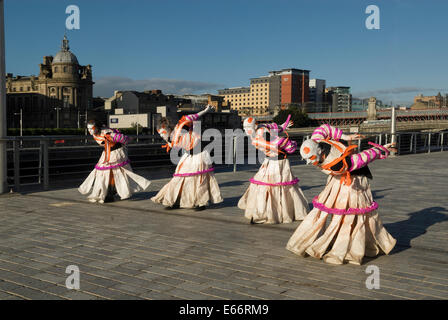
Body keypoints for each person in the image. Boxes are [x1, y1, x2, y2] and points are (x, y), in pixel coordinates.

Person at [286, 124, 397, 265]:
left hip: (344, 180)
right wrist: (380, 150)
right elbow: (361, 159)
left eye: (313, 158)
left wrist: (346, 137)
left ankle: (343, 239)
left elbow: (324, 128)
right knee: (349, 213)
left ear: (318, 148)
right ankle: (345, 244)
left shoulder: (317, 139)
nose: (312, 162)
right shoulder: (336, 165)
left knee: (344, 214)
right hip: (351, 183)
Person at [238, 115, 309, 224]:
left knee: (270, 186)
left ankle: (266, 213)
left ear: (255, 126)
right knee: (271, 186)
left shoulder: (262, 130)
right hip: (274, 162)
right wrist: (289, 143)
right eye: (245, 128)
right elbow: (279, 142)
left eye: (249, 127)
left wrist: (283, 126)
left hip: (277, 162)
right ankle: (265, 213)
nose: (247, 130)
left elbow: (274, 129)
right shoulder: (259, 134)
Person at [151, 105, 223, 210]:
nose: (162, 136)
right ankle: (175, 200)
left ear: (168, 130)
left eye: (163, 133)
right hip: (189, 156)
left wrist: (205, 111)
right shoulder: (170, 139)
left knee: (199, 179)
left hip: (200, 154)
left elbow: (190, 118)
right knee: (179, 178)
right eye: (160, 134)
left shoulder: (180, 128)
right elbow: (175, 144)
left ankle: (201, 202)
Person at [78, 121, 151, 203]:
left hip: (116, 153)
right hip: (107, 153)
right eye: (88, 128)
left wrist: (127, 139)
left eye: (92, 128)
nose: (90, 130)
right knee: (101, 173)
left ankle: (110, 193)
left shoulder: (107, 133)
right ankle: (107, 191)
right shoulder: (95, 134)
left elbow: (124, 139)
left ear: (97, 127)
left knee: (114, 173)